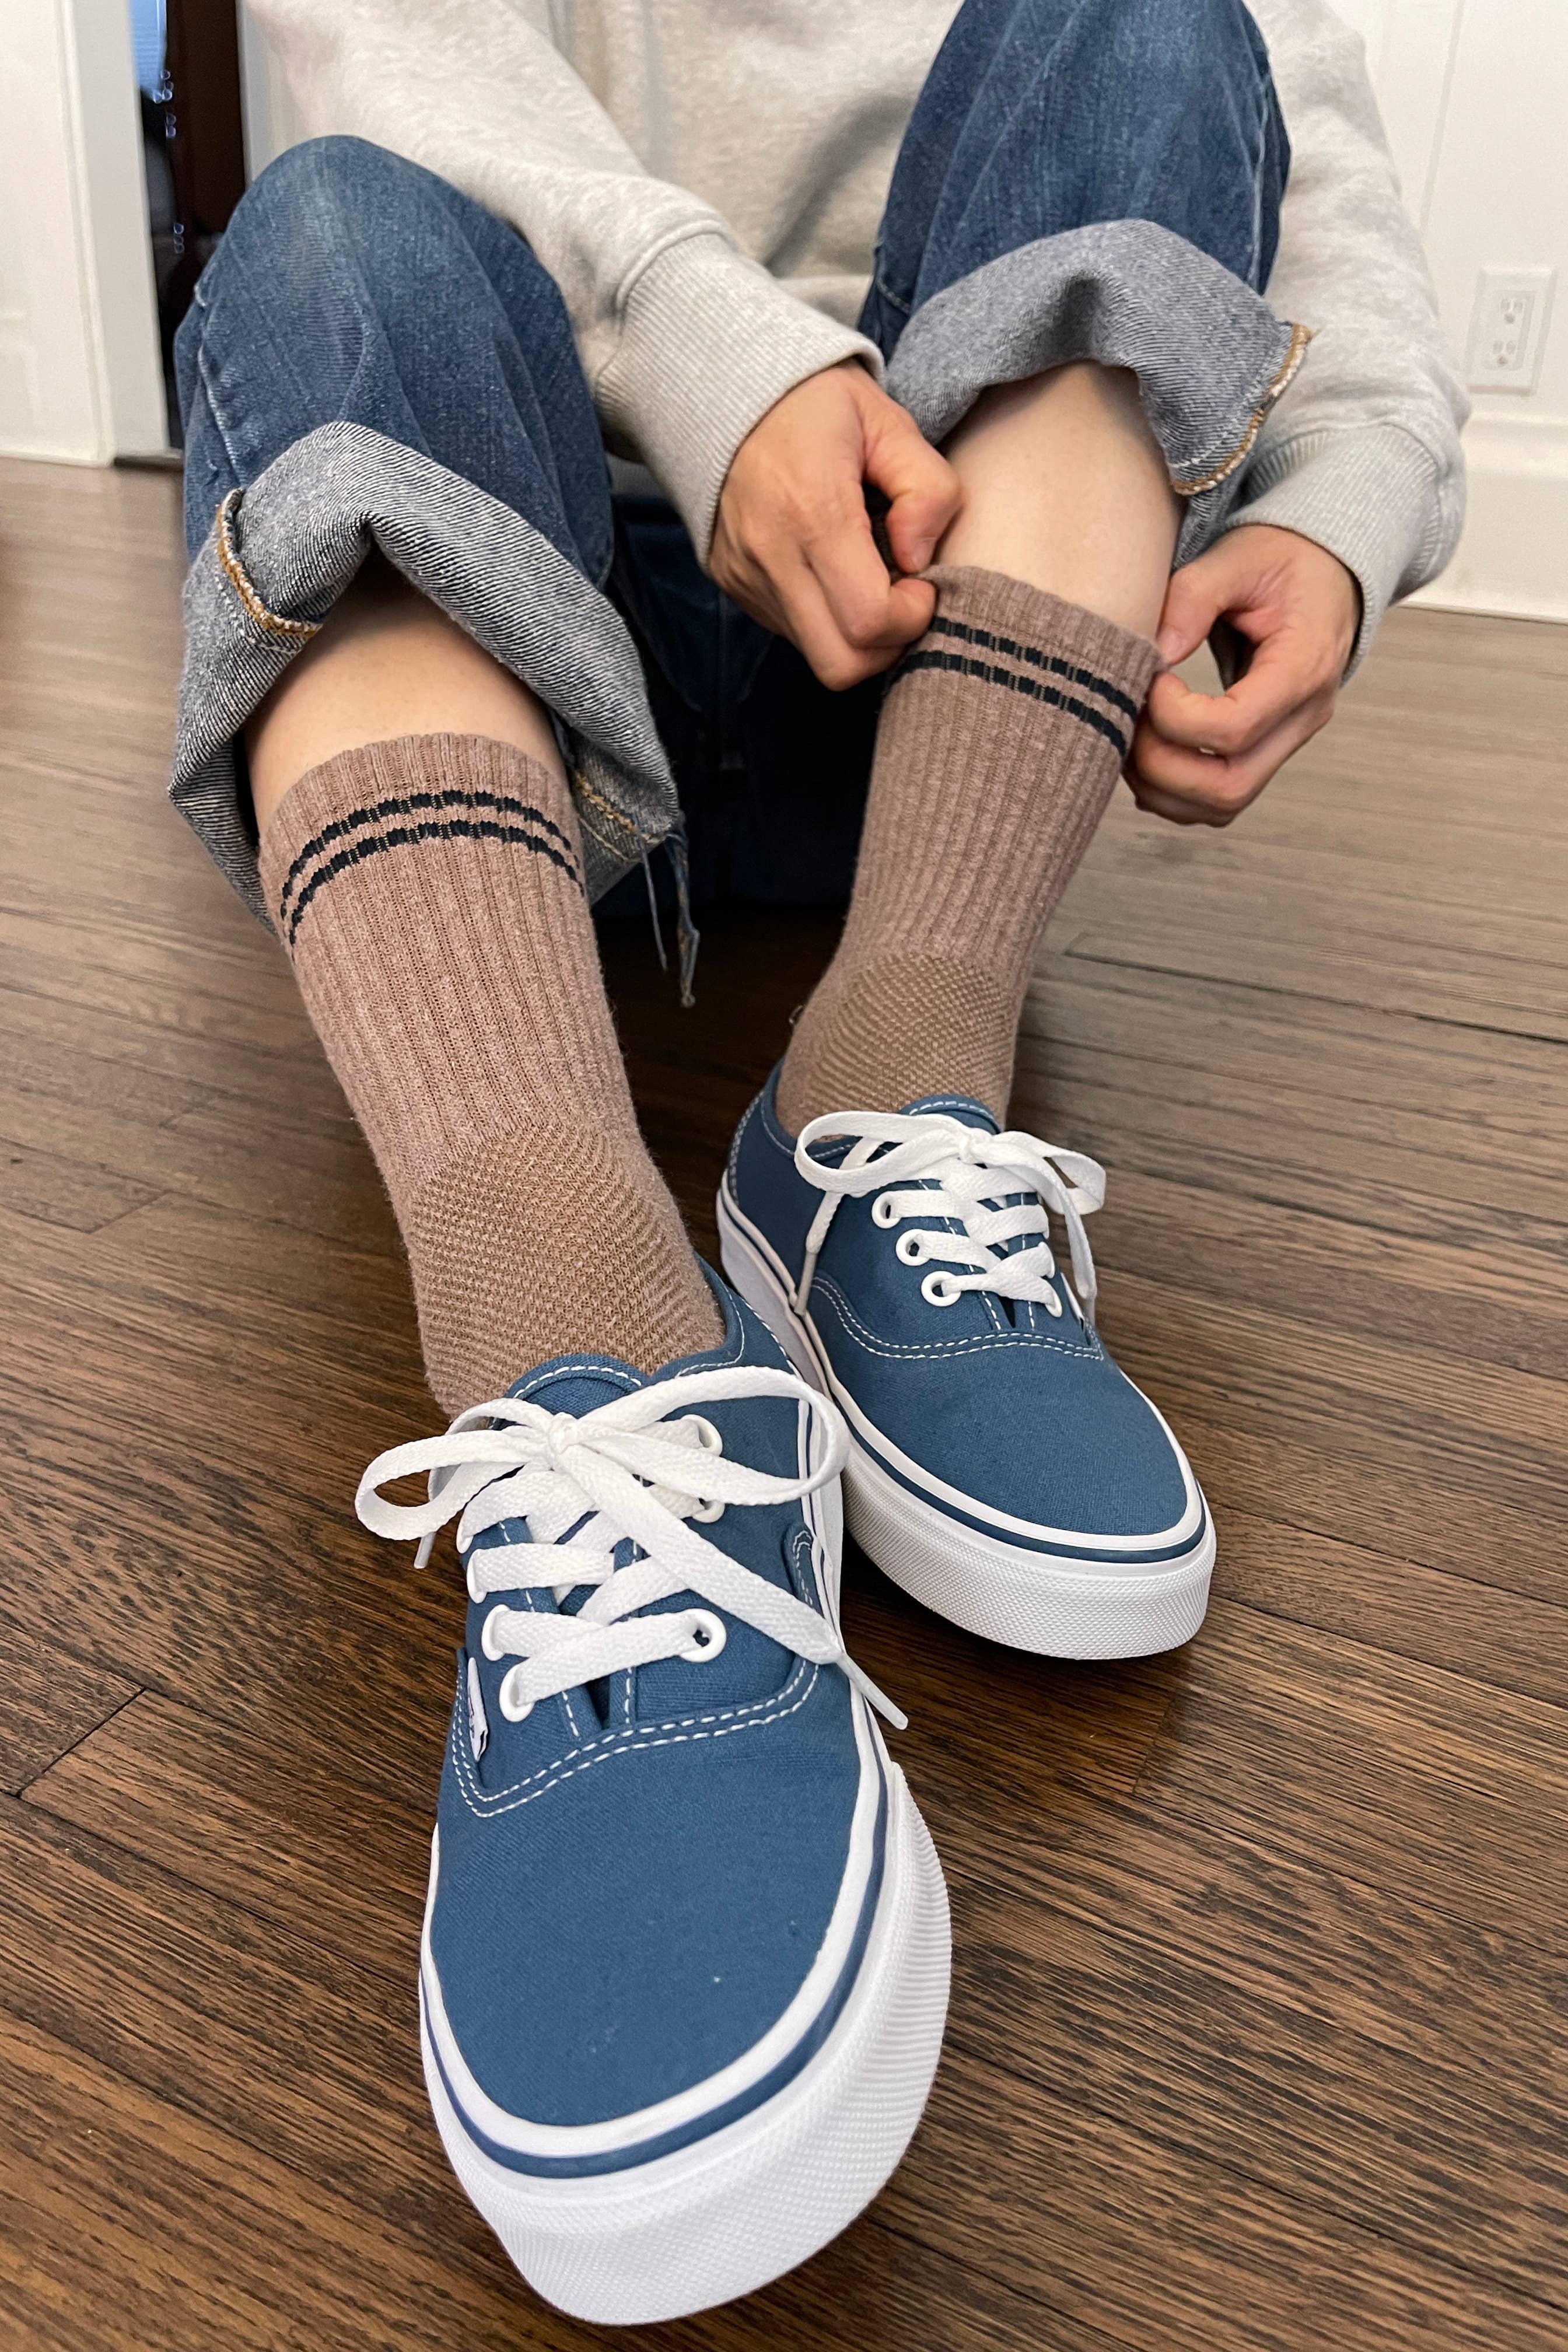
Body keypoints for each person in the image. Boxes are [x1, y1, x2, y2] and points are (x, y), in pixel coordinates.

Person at [168, 0, 1464, 2322]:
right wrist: (712, 348)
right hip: (548, 621)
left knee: (1147, 15)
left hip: (973, 645)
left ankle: (883, 1093)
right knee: (327, 233)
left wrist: (1348, 512)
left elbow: (1309, 165)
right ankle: (577, 1341)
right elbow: (384, 55)